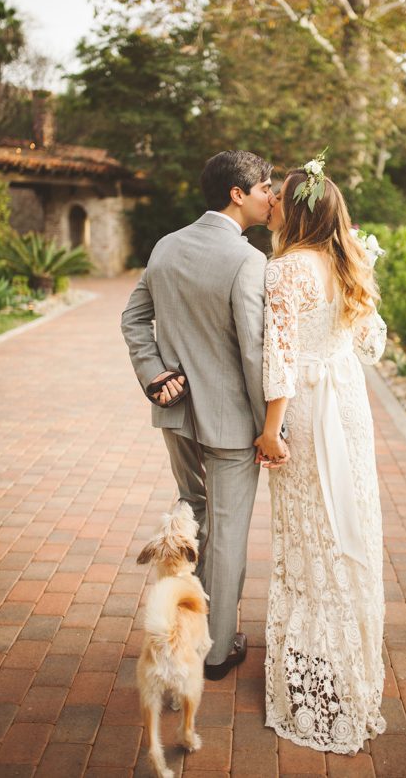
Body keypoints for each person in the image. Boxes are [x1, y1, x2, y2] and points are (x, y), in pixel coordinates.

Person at [121, 150, 289, 681]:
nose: (271, 196)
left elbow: (133, 318)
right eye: (265, 187)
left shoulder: (166, 246)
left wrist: (154, 375)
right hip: (232, 425)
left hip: (176, 417)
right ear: (237, 194)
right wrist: (270, 427)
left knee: (194, 514)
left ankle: (181, 632)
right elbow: (253, 353)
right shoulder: (247, 262)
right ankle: (213, 654)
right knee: (227, 532)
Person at [255, 156, 388, 754]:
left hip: (308, 408)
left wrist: (270, 431)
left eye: (280, 199)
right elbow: (373, 343)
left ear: (299, 210)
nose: (273, 205)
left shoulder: (284, 271)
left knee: (310, 531)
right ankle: (346, 653)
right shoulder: (346, 262)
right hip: (349, 404)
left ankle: (316, 665)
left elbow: (278, 360)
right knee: (345, 521)